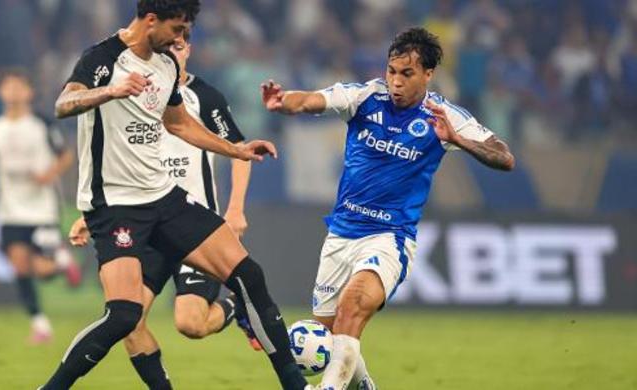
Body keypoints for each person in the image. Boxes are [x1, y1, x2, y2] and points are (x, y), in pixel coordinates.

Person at [41, 1, 310, 389]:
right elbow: (63, 104)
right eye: (177, 29)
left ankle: (295, 385)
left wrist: (236, 150)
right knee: (125, 316)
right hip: (116, 207)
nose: (181, 39)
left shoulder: (165, 64)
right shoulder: (102, 58)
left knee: (248, 275)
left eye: (186, 31)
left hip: (164, 198)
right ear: (151, 20)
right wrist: (110, 92)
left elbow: (179, 124)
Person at [260, 27, 515, 390]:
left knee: (353, 306)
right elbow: (311, 101)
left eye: (407, 73)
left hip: (388, 238)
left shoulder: (443, 115)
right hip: (340, 235)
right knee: (331, 335)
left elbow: (505, 158)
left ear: (428, 74)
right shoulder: (365, 97)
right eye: (391, 71)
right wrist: (283, 101)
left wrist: (457, 139)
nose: (395, 81)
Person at [66, 30, 261, 389]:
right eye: (168, 45)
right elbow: (123, 162)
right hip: (145, 218)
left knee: (191, 324)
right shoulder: (138, 91)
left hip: (191, 225)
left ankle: (235, 306)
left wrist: (235, 209)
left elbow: (240, 151)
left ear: (189, 50)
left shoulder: (205, 97)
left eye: (180, 46)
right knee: (129, 321)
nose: (173, 51)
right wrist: (91, 215)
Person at [0, 70, 80, 344]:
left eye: (19, 86)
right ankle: (40, 325)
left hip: (42, 207)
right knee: (20, 267)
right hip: (10, 208)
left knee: (43, 270)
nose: (14, 91)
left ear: (30, 92)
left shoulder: (42, 124)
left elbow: (65, 156)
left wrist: (49, 175)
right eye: (9, 87)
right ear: (1, 92)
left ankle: (61, 260)